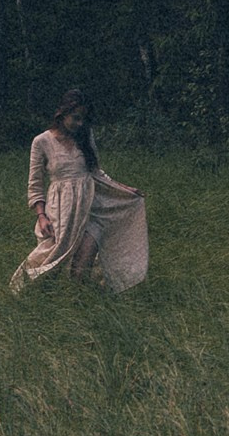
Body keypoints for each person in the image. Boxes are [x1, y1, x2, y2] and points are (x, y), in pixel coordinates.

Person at [10, 89, 148, 293]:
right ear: (63, 113)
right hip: (61, 211)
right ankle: (29, 290)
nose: (80, 123)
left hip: (91, 206)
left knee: (83, 264)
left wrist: (124, 189)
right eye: (76, 118)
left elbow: (96, 172)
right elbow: (35, 185)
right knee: (54, 259)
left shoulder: (85, 137)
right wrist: (41, 216)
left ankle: (80, 299)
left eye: (84, 119)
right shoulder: (41, 142)